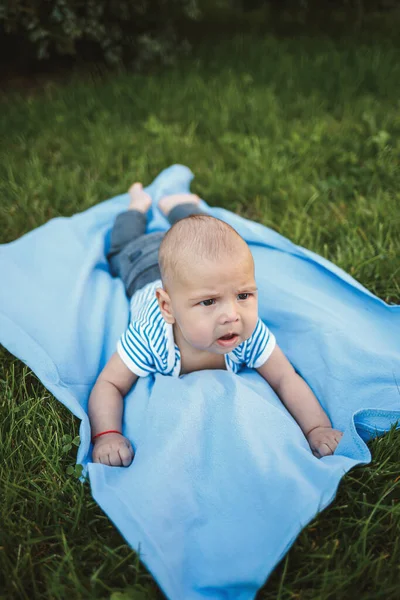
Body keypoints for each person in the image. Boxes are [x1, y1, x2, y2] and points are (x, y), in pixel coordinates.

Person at [88, 182, 343, 467]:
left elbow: (286, 378)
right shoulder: (150, 338)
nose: (232, 315)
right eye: (209, 302)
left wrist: (316, 428)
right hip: (142, 265)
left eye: (243, 295)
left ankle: (179, 205)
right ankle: (137, 206)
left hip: (192, 268)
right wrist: (107, 435)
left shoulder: (249, 332)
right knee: (121, 248)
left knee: (203, 236)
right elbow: (109, 383)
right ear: (167, 307)